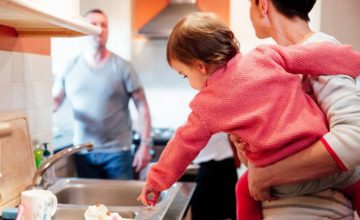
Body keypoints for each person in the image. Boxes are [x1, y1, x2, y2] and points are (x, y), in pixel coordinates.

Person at [136, 12, 360, 214]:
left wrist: (155, 182)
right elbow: (318, 57)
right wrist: (355, 61)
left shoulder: (207, 105)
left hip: (283, 179)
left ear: (200, 66)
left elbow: (182, 145)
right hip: (322, 156)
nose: (189, 82)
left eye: (185, 75)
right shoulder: (264, 55)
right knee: (357, 181)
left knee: (244, 189)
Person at [229, 0, 360, 209]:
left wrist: (267, 175)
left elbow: (355, 137)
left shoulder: (321, 51)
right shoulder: (278, 61)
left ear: (263, 5)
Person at [52, 9, 152, 179]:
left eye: (104, 25)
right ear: (84, 30)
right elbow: (54, 102)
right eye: (94, 24)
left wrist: (145, 144)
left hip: (117, 154)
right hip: (83, 153)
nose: (100, 29)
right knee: (89, 206)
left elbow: (142, 106)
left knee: (120, 206)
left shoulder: (122, 67)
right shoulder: (70, 66)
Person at [190, 132, 238, 220]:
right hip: (226, 167)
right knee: (230, 208)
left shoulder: (198, 121)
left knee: (202, 210)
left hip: (212, 170)